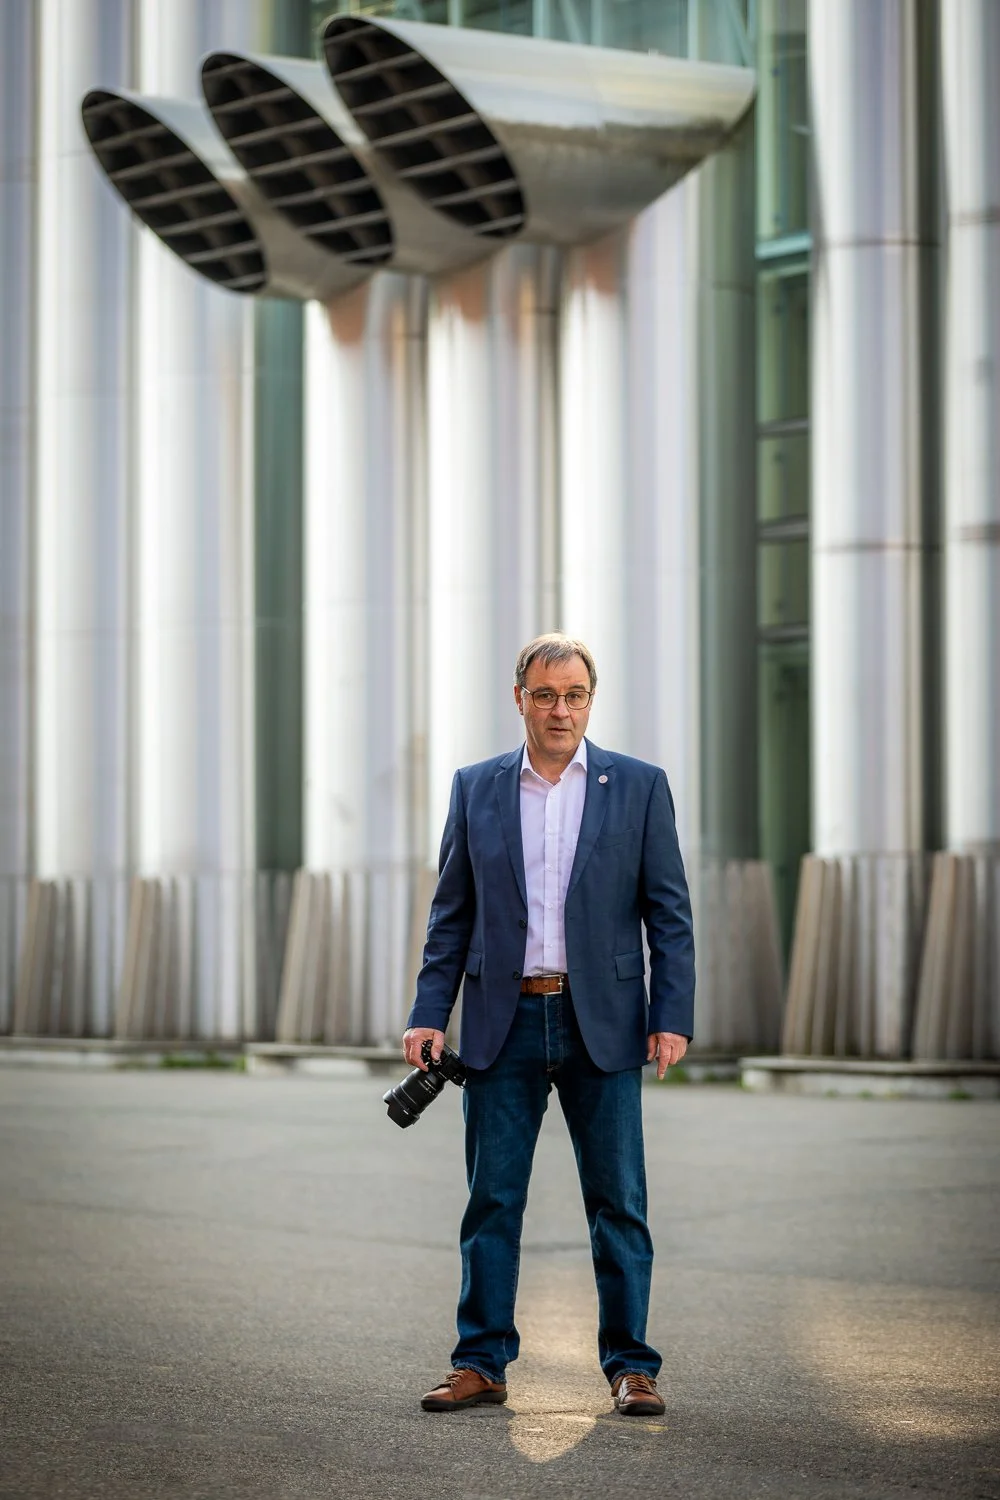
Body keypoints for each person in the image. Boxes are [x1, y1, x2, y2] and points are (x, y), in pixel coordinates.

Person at [403, 633, 695, 1417]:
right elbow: (450, 914)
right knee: (492, 1200)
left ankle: (632, 1366)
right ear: (520, 698)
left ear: (589, 701)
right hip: (504, 1021)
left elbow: (668, 914)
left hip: (604, 1019)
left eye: (573, 695)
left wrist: (672, 1015)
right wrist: (430, 1013)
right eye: (545, 694)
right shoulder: (477, 788)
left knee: (618, 1202)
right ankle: (481, 1363)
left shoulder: (637, 786)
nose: (560, 709)